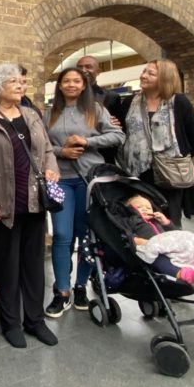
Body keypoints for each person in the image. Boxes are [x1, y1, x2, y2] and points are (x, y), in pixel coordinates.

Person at [0, 63, 60, 348]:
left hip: (34, 201)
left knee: (34, 266)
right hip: (4, 204)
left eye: (22, 81)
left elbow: (46, 149)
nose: (21, 86)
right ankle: (11, 323)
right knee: (7, 268)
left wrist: (51, 168)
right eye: (14, 82)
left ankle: (35, 321)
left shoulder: (32, 115)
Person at [44, 66, 124, 318]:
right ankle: (62, 291)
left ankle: (80, 287)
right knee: (62, 235)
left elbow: (117, 135)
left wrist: (87, 142)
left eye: (76, 81)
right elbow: (42, 146)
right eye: (65, 81)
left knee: (86, 235)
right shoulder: (49, 113)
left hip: (89, 180)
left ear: (83, 85)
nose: (70, 85)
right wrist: (61, 152)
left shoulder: (95, 110)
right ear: (59, 85)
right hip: (61, 180)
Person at [117, 60, 194, 226]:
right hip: (137, 173)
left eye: (151, 73)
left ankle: (171, 250)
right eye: (144, 71)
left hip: (169, 174)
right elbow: (122, 133)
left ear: (164, 78)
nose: (143, 76)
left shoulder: (178, 102)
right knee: (140, 219)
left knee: (169, 220)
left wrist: (177, 157)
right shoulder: (130, 102)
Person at [123, 195, 194, 306]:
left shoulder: (155, 221)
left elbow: (174, 233)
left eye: (148, 208)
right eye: (139, 207)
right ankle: (193, 276)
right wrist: (137, 240)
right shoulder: (131, 220)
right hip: (151, 250)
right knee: (159, 260)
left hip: (169, 247)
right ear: (129, 209)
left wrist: (165, 222)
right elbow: (128, 236)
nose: (145, 209)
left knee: (190, 240)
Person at [77, 54, 126, 124]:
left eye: (88, 67)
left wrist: (117, 125)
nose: (83, 70)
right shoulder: (67, 96)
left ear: (98, 71)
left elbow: (120, 126)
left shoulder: (111, 97)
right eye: (79, 67)